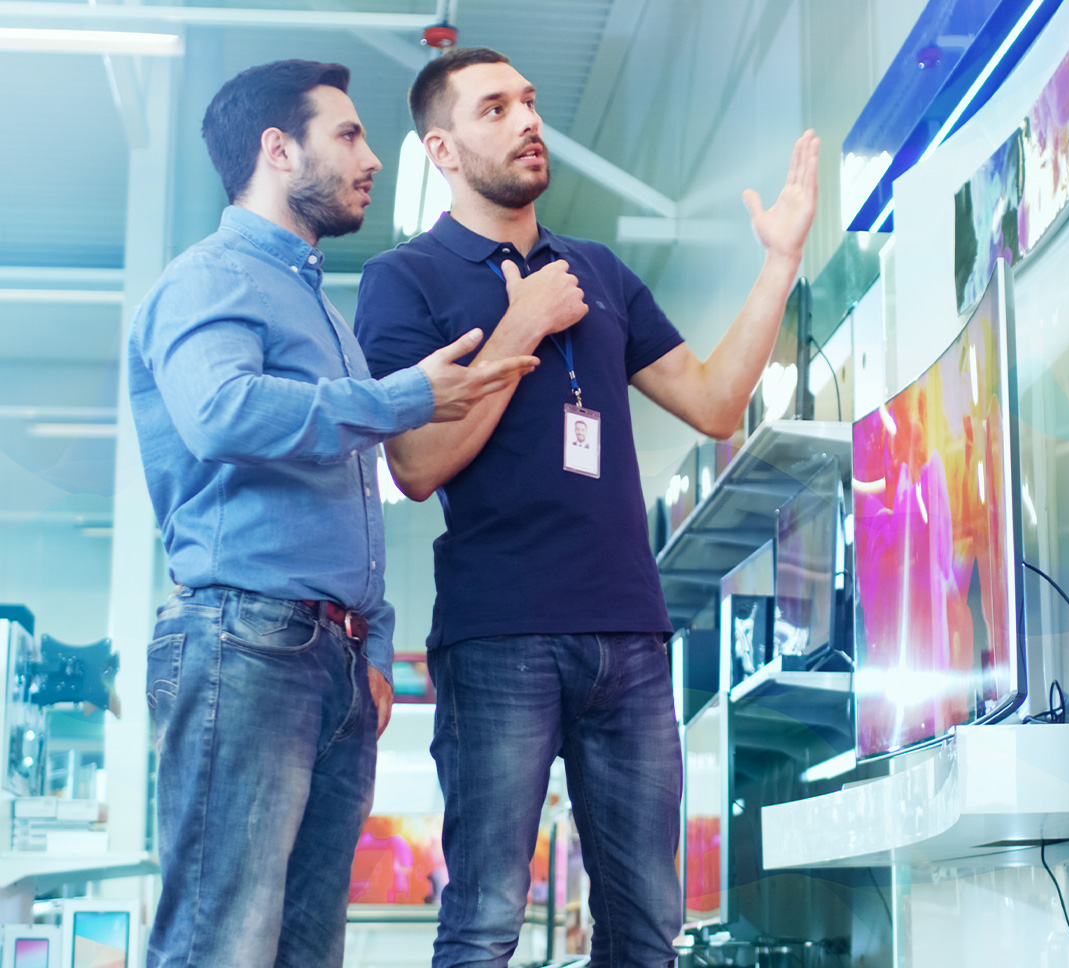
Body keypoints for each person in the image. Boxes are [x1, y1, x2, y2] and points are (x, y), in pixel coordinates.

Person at [353, 46, 818, 968]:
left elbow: (717, 402)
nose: (528, 119)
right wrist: (521, 326)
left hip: (630, 638)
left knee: (649, 930)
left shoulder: (599, 270)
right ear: (442, 151)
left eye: (530, 100)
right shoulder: (404, 281)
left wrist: (781, 262)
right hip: (499, 635)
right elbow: (413, 466)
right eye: (495, 109)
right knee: (485, 921)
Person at [128, 59, 537, 968]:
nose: (374, 158)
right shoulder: (211, 280)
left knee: (307, 950)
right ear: (278, 150)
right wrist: (401, 399)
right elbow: (220, 413)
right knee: (219, 942)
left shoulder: (323, 309)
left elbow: (349, 488)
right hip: (244, 641)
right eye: (348, 135)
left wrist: (375, 643)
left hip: (334, 661)